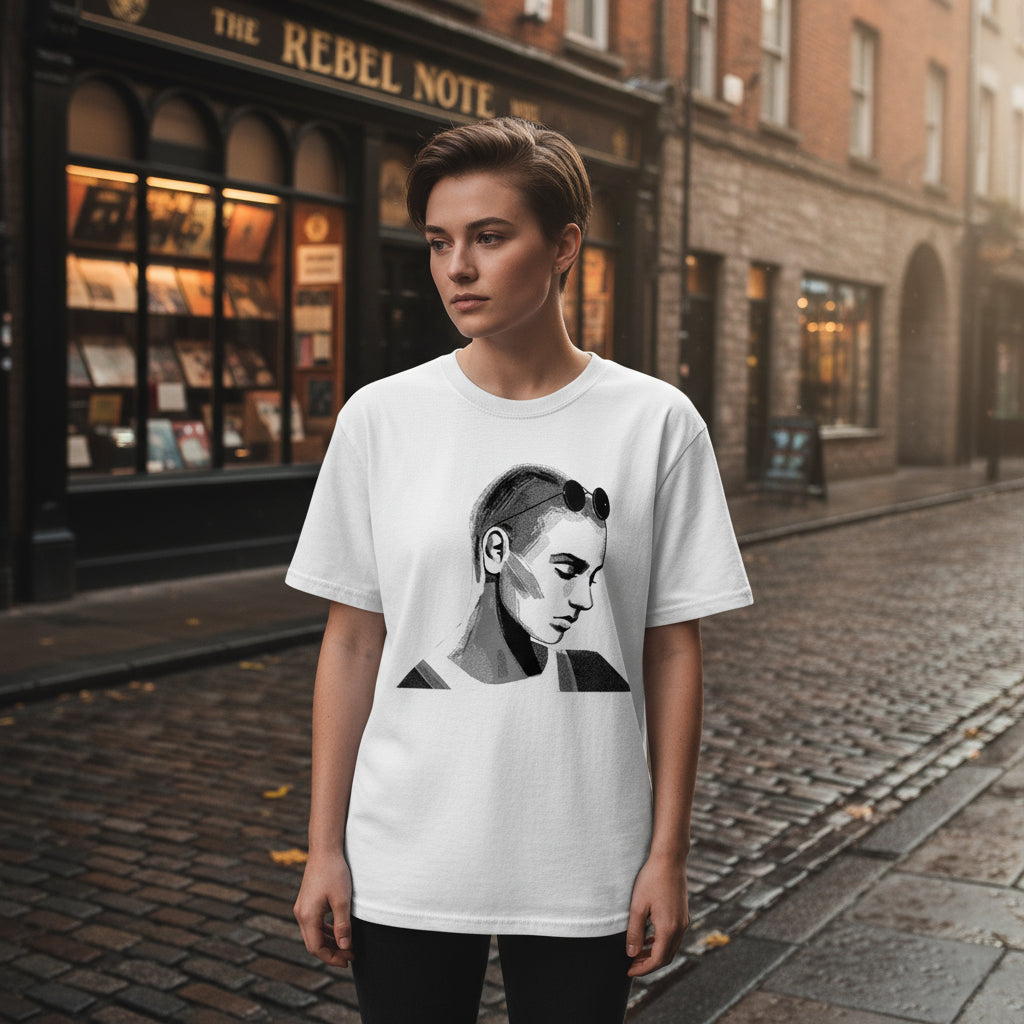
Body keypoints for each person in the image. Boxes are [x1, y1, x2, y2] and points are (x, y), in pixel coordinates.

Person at [288, 116, 752, 1024]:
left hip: (586, 854)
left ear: (564, 246)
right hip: (408, 851)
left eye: (490, 237)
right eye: (438, 242)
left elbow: (671, 649)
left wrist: (667, 853)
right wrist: (323, 848)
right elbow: (349, 643)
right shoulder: (381, 419)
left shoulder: (656, 423)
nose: (456, 267)